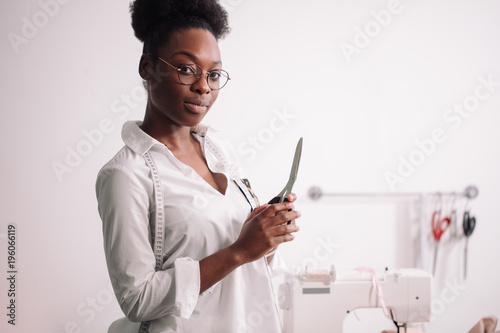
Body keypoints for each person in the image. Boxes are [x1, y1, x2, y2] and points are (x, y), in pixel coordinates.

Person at [95, 0, 301, 332]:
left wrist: (267, 236)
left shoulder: (220, 149)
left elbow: (243, 258)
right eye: (186, 69)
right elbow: (136, 299)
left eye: (214, 74)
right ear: (148, 68)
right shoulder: (126, 175)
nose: (203, 86)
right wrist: (239, 251)